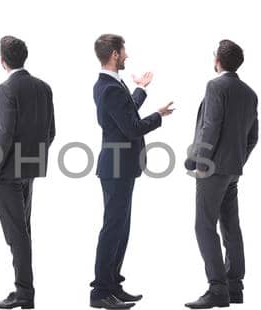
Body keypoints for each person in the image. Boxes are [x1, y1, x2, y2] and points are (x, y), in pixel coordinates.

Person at [88, 33, 176, 310]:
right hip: (116, 166)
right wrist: (158, 116)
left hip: (120, 167)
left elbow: (125, 115)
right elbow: (132, 127)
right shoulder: (110, 87)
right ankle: (101, 292)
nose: (127, 55)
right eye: (124, 51)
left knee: (121, 227)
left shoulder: (110, 85)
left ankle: (113, 285)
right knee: (113, 229)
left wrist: (141, 90)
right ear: (114, 54)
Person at [0, 35, 55, 310]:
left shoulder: (6, 88)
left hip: (6, 172)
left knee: (17, 234)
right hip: (29, 169)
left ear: (2, 61)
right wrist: (32, 159)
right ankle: (23, 291)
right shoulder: (44, 88)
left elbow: (4, 132)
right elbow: (51, 132)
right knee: (23, 230)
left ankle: (24, 293)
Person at [182, 39, 258, 310]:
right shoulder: (249, 93)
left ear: (218, 60)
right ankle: (234, 287)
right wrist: (237, 161)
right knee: (230, 226)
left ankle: (217, 289)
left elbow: (210, 126)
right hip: (232, 170)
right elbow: (253, 136)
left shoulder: (216, 86)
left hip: (212, 169)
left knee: (204, 225)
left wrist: (199, 160)